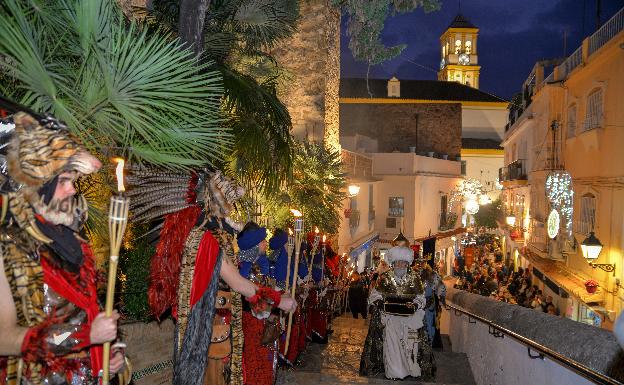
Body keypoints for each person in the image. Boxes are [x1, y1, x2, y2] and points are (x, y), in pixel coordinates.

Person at [0, 112, 127, 384]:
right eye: (64, 182)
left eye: (73, 181)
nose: (72, 191)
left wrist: (104, 357)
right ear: (37, 186)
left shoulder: (75, 243)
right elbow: (4, 339)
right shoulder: (7, 247)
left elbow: (83, 318)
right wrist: (85, 336)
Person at [360, 246, 435, 380]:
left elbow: (421, 297)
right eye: (398, 262)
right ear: (393, 263)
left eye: (403, 262)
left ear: (407, 263)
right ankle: (394, 372)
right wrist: (380, 303)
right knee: (392, 346)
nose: (400, 265)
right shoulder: (385, 277)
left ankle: (408, 370)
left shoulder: (415, 278)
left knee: (408, 347)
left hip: (410, 319)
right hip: (390, 318)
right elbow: (374, 295)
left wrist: (416, 304)